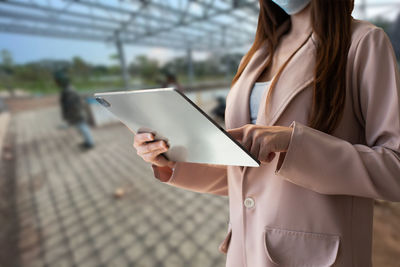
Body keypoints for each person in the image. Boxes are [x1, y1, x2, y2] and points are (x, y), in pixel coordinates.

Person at [133, 0, 400, 266]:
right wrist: (170, 160)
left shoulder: (364, 42)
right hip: (246, 252)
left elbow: (394, 167)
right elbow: (250, 175)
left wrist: (292, 143)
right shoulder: (259, 53)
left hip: (315, 256)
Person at [54, 70, 95, 150]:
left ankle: (90, 143)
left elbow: (72, 105)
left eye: (58, 82)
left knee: (83, 128)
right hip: (75, 114)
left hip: (77, 114)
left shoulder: (69, 91)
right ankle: (88, 142)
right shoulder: (67, 90)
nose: (57, 83)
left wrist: (71, 116)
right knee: (81, 128)